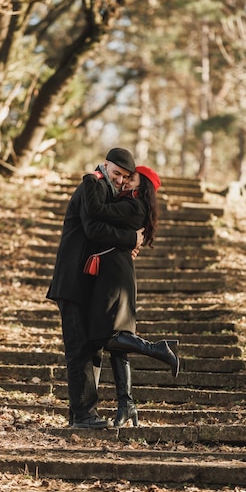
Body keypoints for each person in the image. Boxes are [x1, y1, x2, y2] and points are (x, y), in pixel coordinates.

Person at [46, 148, 145, 429]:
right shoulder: (94, 185)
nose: (120, 180)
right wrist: (129, 239)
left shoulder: (105, 189)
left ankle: (82, 413)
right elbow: (92, 229)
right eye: (117, 174)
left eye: (125, 177)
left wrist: (126, 247)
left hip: (86, 283)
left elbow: (100, 236)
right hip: (72, 281)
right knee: (79, 349)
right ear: (106, 166)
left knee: (90, 348)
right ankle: (83, 415)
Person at [82, 165, 180, 427]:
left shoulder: (133, 206)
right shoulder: (129, 203)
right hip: (115, 271)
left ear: (142, 184)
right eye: (123, 177)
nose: (124, 182)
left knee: (108, 337)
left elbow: (100, 212)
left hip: (116, 276)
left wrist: (92, 181)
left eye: (130, 178)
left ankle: (159, 349)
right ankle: (127, 405)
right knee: (118, 343)